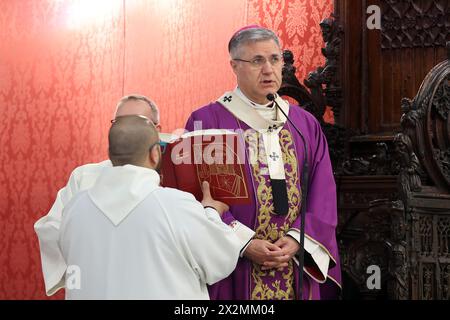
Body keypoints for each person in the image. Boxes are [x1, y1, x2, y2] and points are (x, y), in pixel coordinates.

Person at [185, 26, 342, 300]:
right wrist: (244, 243)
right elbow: (199, 196)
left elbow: (323, 193)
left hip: (294, 264)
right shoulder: (209, 123)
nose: (268, 69)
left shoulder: (304, 124)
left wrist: (297, 239)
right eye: (257, 60)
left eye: (274, 59)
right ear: (234, 66)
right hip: (235, 268)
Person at [56, 115, 253, 299]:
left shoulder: (75, 207)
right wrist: (211, 211)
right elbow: (219, 260)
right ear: (155, 153)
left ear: (110, 154)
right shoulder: (175, 205)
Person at [35, 94, 162, 296]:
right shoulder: (85, 176)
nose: (126, 129)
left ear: (157, 131)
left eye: (137, 122)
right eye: (119, 122)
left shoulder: (171, 180)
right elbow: (51, 228)